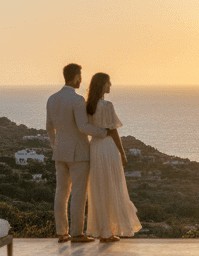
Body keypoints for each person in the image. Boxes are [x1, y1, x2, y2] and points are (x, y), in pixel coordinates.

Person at [46, 63, 109, 243]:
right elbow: (83, 127)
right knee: (79, 193)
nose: (81, 80)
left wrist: (54, 145)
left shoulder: (52, 99)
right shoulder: (77, 100)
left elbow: (49, 127)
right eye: (80, 76)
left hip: (59, 152)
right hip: (79, 153)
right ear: (75, 78)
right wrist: (105, 132)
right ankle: (77, 233)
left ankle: (61, 232)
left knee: (61, 193)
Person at [83, 72, 142, 241]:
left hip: (94, 147)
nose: (111, 86)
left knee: (99, 187)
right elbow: (113, 131)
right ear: (102, 85)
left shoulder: (87, 106)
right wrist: (122, 153)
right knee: (113, 186)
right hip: (108, 146)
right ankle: (110, 232)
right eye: (108, 83)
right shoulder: (107, 105)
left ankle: (104, 231)